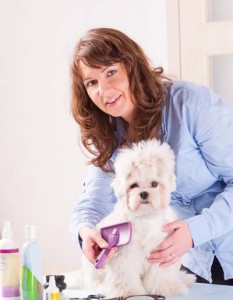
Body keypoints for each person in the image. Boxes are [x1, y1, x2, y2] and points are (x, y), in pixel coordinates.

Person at [69, 27, 233, 285]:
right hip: (193, 263)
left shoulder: (192, 105)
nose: (104, 90)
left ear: (132, 67)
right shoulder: (110, 133)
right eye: (91, 82)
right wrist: (86, 232)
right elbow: (92, 202)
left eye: (111, 72)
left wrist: (195, 231)